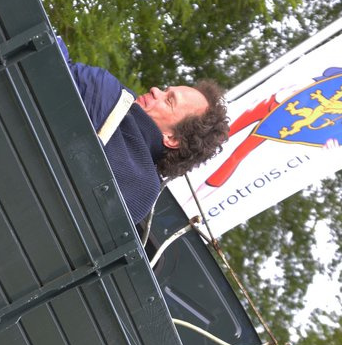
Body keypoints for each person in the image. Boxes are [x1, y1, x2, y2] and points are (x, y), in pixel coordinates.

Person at [59, 38, 229, 223]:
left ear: (173, 139)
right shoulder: (143, 197)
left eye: (169, 100)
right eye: (165, 90)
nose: (155, 90)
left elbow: (47, 54)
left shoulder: (107, 94)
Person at [202, 45, 342, 188]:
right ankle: (191, 162)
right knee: (224, 131)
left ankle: (201, 193)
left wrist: (331, 140)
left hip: (287, 118)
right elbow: (319, 81)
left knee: (239, 152)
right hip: (279, 100)